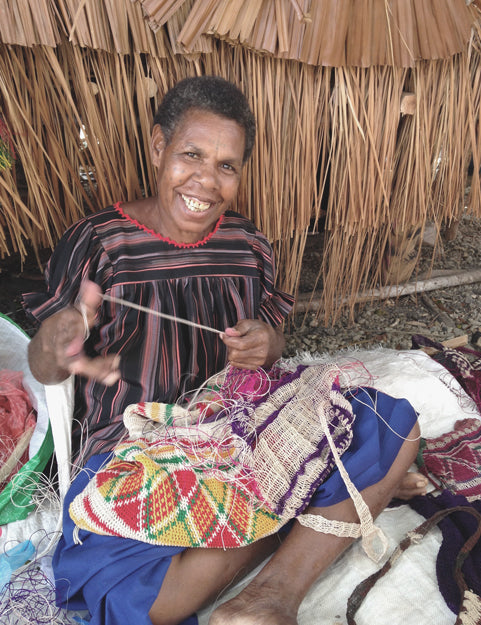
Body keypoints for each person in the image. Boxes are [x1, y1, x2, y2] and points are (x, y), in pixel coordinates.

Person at [24, 75, 426, 625]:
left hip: (236, 428)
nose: (206, 181)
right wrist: (64, 331)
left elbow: (274, 337)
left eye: (227, 166)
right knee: (136, 601)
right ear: (157, 146)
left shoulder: (247, 245)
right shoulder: (99, 243)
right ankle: (311, 508)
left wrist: (266, 342)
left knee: (394, 425)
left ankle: (270, 598)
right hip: (135, 448)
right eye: (191, 155)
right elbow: (45, 365)